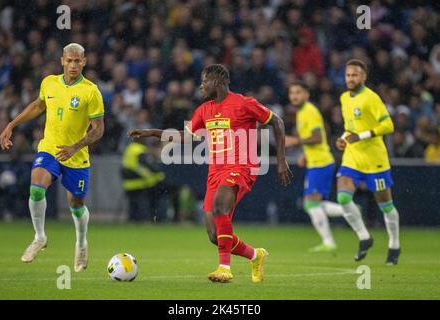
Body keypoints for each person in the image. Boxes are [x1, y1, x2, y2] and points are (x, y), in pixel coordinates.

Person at [128, 64, 291, 283]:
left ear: (218, 82)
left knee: (219, 208)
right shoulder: (204, 110)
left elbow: (277, 122)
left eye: (204, 81)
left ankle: (224, 268)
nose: (201, 85)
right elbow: (183, 136)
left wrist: (281, 160)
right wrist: (152, 133)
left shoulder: (244, 103)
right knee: (215, 235)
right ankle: (256, 255)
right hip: (215, 171)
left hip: (240, 167)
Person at [0, 43, 105, 272]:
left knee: (76, 204)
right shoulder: (49, 82)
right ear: (62, 61)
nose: (74, 65)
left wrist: (76, 147)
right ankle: (39, 237)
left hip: (76, 155)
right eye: (70, 60)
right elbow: (38, 105)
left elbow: (98, 129)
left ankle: (81, 242)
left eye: (78, 61)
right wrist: (12, 124)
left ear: (84, 62)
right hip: (50, 148)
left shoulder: (91, 91)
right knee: (36, 186)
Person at [336, 59, 401, 265]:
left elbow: (389, 125)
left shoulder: (371, 98)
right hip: (353, 157)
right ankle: (365, 236)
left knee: (386, 206)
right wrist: (343, 138)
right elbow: (350, 127)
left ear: (364, 77)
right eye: (348, 75)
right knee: (343, 198)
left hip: (375, 160)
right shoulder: (344, 98)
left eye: (355, 75)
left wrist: (362, 136)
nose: (350, 78)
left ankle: (394, 244)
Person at [285, 81, 344, 253]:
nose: (294, 96)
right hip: (315, 162)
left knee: (311, 204)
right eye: (292, 93)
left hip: (321, 163)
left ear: (306, 94)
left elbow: (317, 137)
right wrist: (305, 154)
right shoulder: (302, 112)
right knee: (312, 204)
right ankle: (347, 214)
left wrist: (295, 141)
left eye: (298, 92)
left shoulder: (309, 111)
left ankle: (333, 234)